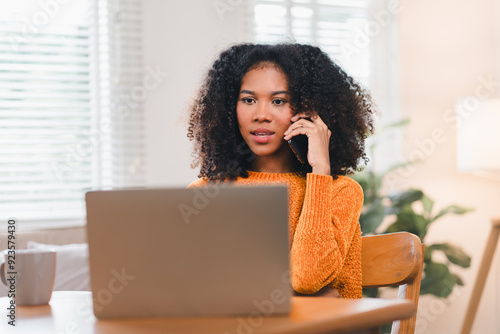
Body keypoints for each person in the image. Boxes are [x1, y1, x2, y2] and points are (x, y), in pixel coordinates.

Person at [186, 43, 375, 299]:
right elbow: (197, 293)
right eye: (249, 100)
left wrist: (319, 171)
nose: (261, 114)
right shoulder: (205, 194)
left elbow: (308, 278)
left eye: (279, 101)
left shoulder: (339, 192)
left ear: (310, 111)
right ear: (230, 108)